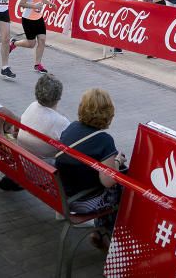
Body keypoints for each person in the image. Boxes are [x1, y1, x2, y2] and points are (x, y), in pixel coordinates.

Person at [55, 88, 125, 250]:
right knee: (121, 189)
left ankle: (101, 233)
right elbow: (107, 181)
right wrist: (117, 160)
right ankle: (106, 236)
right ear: (107, 114)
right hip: (80, 202)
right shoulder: (104, 140)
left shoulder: (71, 128)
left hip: (61, 194)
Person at [9, 0, 58, 73]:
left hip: (38, 18)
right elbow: (21, 3)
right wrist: (33, 6)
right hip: (28, 20)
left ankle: (37, 64)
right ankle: (14, 43)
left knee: (42, 40)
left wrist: (49, 3)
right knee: (31, 44)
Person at [17, 74, 69, 160]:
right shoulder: (62, 122)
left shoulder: (32, 106)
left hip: (21, 159)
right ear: (58, 97)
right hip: (43, 169)